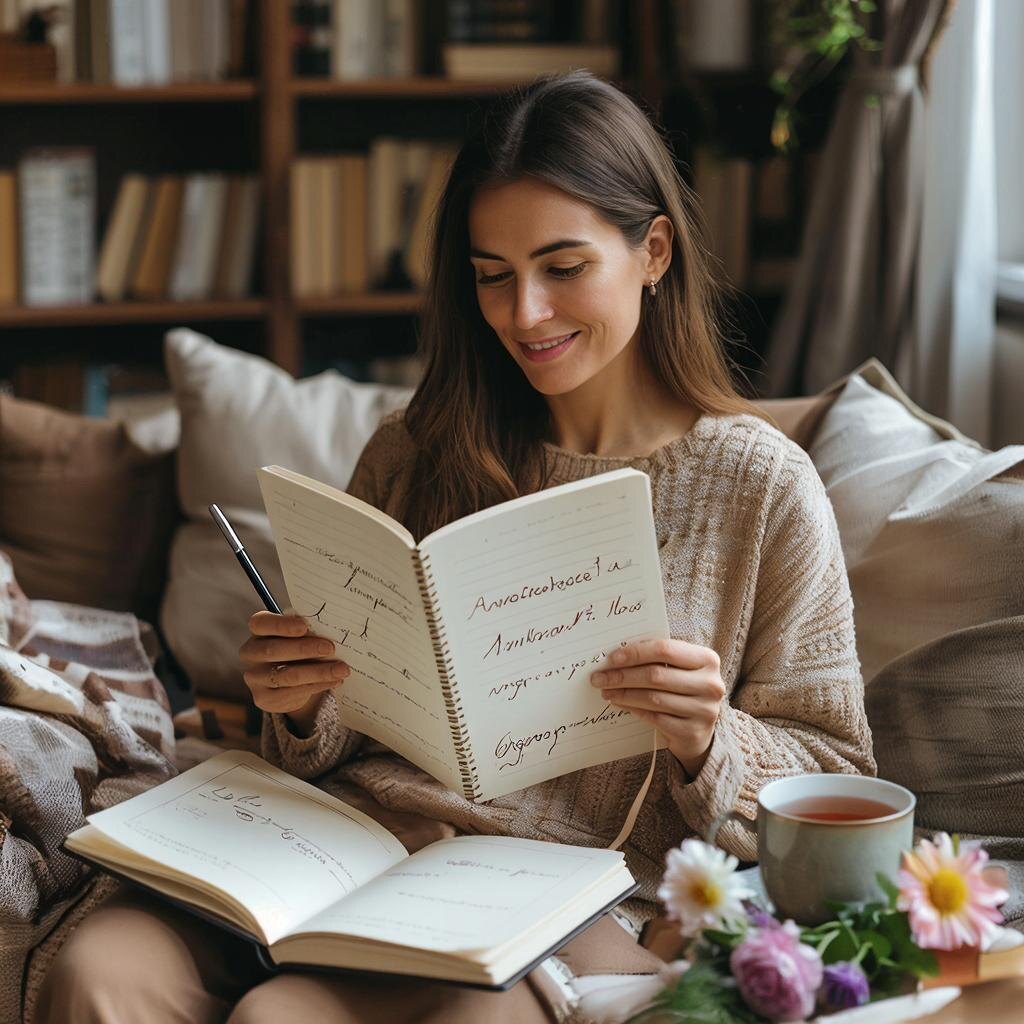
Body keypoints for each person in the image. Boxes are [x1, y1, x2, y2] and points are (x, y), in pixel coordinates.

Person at [37, 70, 874, 1024]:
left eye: (563, 268)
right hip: (337, 840)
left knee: (286, 1020)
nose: (525, 315)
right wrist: (301, 701)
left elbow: (836, 773)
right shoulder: (414, 450)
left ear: (653, 250)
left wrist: (706, 740)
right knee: (101, 968)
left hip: (539, 894)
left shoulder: (759, 486)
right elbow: (330, 733)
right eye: (492, 276)